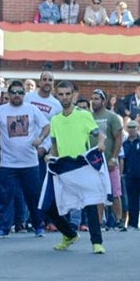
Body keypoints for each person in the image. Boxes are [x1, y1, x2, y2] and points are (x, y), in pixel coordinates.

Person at [44, 80, 105, 252]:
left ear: (73, 95)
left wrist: (101, 143)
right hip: (63, 168)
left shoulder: (83, 115)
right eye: (61, 94)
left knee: (90, 204)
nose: (64, 97)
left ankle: (97, 243)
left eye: (67, 94)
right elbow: (55, 146)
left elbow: (100, 134)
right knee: (49, 206)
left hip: (82, 165)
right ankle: (70, 234)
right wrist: (50, 156)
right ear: (57, 95)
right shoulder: (55, 120)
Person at [0, 80, 49, 238]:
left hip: (30, 162)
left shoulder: (32, 109)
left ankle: (38, 226)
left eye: (20, 92)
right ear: (8, 94)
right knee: (5, 197)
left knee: (33, 196)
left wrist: (40, 139)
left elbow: (47, 126)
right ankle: (3, 228)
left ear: (24, 95)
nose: (17, 95)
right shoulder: (1, 110)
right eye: (14, 92)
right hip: (8, 163)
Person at [90, 89, 123, 230]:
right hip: (94, 162)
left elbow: (118, 138)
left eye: (97, 98)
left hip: (109, 161)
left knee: (115, 193)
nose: (94, 101)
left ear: (104, 101)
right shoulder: (88, 117)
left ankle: (119, 221)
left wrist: (114, 158)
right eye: (93, 99)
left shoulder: (112, 117)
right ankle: (99, 222)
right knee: (98, 194)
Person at [121, 120, 140, 229]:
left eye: (134, 127)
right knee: (132, 200)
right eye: (130, 127)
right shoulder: (125, 144)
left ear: (138, 128)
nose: (132, 130)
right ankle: (133, 223)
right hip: (130, 175)